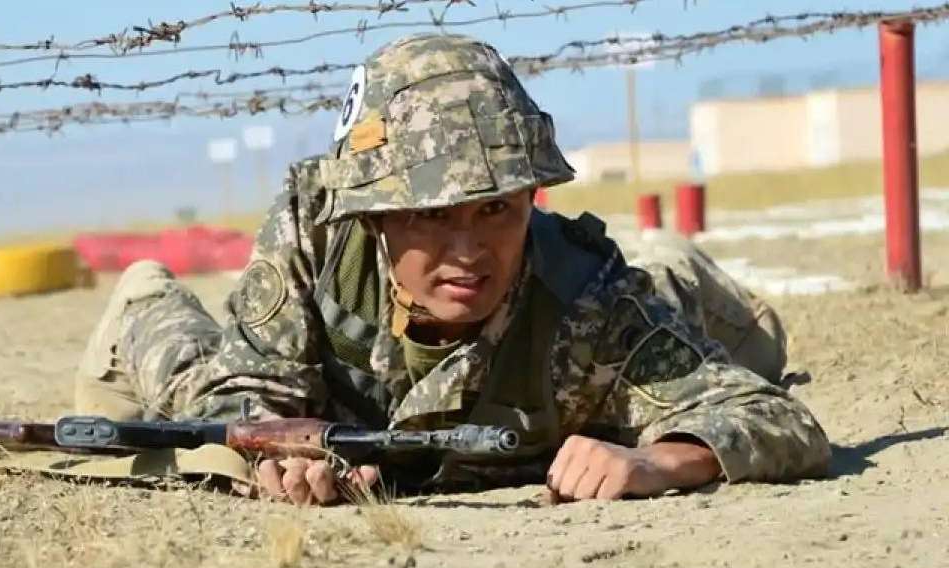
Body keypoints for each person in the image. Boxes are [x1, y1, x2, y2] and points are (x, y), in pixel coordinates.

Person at [74, 33, 831, 505]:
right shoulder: (318, 229)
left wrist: (661, 461)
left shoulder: (590, 296)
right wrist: (277, 450)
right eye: (434, 215)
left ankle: (678, 268)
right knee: (178, 391)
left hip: (661, 306)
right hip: (310, 392)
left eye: (496, 210)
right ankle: (144, 292)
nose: (469, 250)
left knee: (737, 336)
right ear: (374, 214)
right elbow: (247, 388)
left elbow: (780, 419)